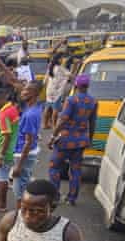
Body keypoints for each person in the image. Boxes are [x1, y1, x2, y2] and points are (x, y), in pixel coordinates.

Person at [49, 74, 97, 206]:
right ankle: (71, 198)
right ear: (87, 86)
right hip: (81, 141)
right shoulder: (93, 101)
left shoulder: (71, 100)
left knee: (54, 167)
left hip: (65, 140)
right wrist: (90, 139)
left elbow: (63, 120)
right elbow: (92, 123)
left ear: (76, 85)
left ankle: (55, 196)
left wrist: (53, 136)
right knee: (75, 169)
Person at [11, 81, 44, 207]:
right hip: (27, 152)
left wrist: (18, 166)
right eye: (24, 89)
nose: (23, 92)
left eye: (27, 90)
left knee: (20, 191)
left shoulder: (30, 114)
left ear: (35, 93)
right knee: (22, 185)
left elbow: (28, 142)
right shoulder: (33, 106)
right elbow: (16, 84)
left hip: (23, 154)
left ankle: (20, 217)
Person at [0, 88, 20, 212]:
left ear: (1, 100)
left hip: (4, 152)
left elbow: (6, 136)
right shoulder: (12, 109)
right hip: (10, 150)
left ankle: (1, 204)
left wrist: (0, 156)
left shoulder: (3, 114)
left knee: (2, 179)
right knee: (4, 178)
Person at [45, 55, 71, 130]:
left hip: (49, 90)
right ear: (58, 59)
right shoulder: (60, 68)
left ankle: (45, 124)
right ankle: (54, 125)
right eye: (62, 58)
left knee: (47, 107)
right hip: (57, 91)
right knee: (55, 109)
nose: (62, 59)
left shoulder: (51, 67)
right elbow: (70, 75)